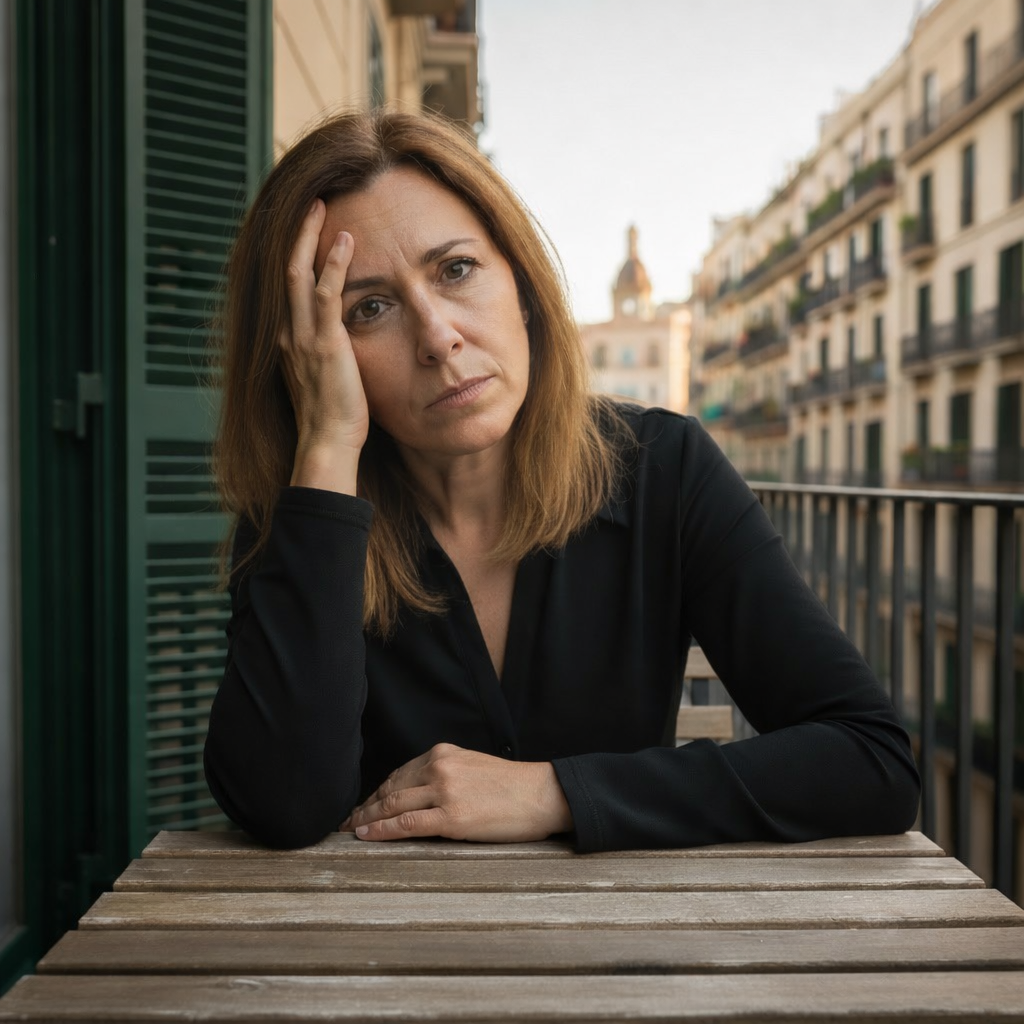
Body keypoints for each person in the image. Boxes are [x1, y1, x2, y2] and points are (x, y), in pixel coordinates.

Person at [204, 108, 920, 852]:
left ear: (520, 280)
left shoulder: (662, 467)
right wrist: (325, 448)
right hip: (379, 958)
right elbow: (282, 805)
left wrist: (555, 790)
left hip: (618, 954)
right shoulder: (305, 514)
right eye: (369, 308)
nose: (439, 336)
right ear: (309, 351)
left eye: (456, 270)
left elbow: (871, 760)